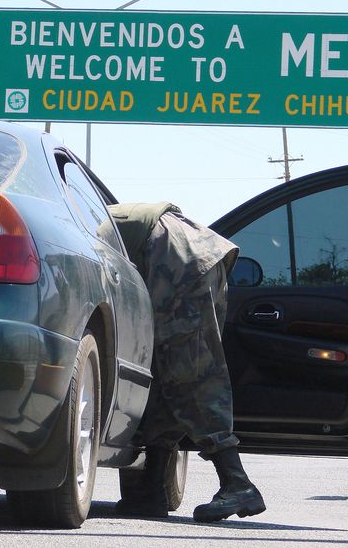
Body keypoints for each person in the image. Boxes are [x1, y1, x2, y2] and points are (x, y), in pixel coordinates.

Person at [108, 201, 266, 522]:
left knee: (188, 374)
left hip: (177, 257)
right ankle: (151, 491)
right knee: (167, 374)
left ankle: (237, 483)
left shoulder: (58, 216)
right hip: (191, 254)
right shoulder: (80, 208)